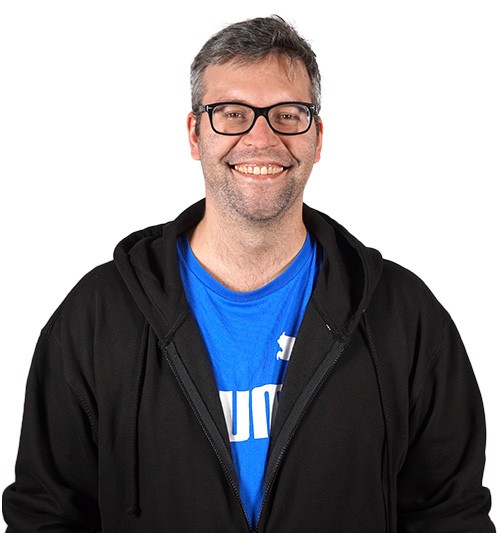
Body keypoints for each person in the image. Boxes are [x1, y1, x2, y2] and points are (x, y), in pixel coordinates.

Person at [2, 15, 495, 533]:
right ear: (195, 134)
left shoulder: (404, 316)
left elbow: (450, 516)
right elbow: (46, 517)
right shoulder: (97, 317)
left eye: (287, 114)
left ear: (317, 137)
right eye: (232, 113)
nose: (261, 138)